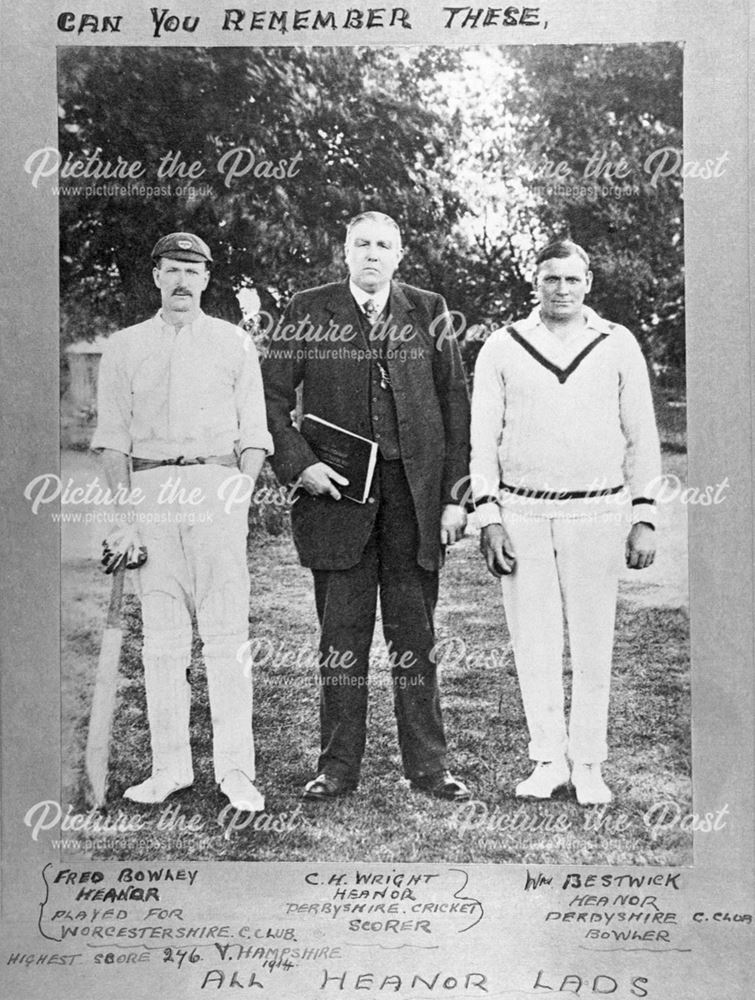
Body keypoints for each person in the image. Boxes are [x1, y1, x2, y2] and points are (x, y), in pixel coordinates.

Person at [262, 211, 471, 802]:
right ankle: (336, 767)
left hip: (414, 501)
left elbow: (455, 407)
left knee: (415, 634)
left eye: (383, 245)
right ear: (344, 251)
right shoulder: (309, 308)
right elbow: (271, 397)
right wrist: (300, 463)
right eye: (361, 244)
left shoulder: (428, 309)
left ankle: (429, 767)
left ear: (399, 254)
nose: (372, 254)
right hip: (337, 499)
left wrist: (456, 498)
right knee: (341, 639)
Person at [470, 239, 661, 806]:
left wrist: (644, 514)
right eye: (550, 279)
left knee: (594, 642)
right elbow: (483, 441)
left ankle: (590, 764)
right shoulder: (502, 346)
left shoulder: (617, 342)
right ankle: (548, 760)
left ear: (589, 282)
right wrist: (489, 517)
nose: (561, 289)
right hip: (523, 512)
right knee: (534, 643)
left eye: (571, 279)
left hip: (598, 512)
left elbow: (642, 436)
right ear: (536, 282)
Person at [91, 232, 273, 812]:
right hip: (151, 493)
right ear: (155, 276)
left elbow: (256, 433)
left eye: (193, 272)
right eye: (171, 269)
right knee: (163, 641)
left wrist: (238, 493)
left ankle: (236, 772)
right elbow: (112, 441)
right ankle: (169, 767)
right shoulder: (124, 346)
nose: (181, 281)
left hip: (215, 488)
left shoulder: (233, 342)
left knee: (225, 636)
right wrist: (124, 519)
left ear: (207, 279)